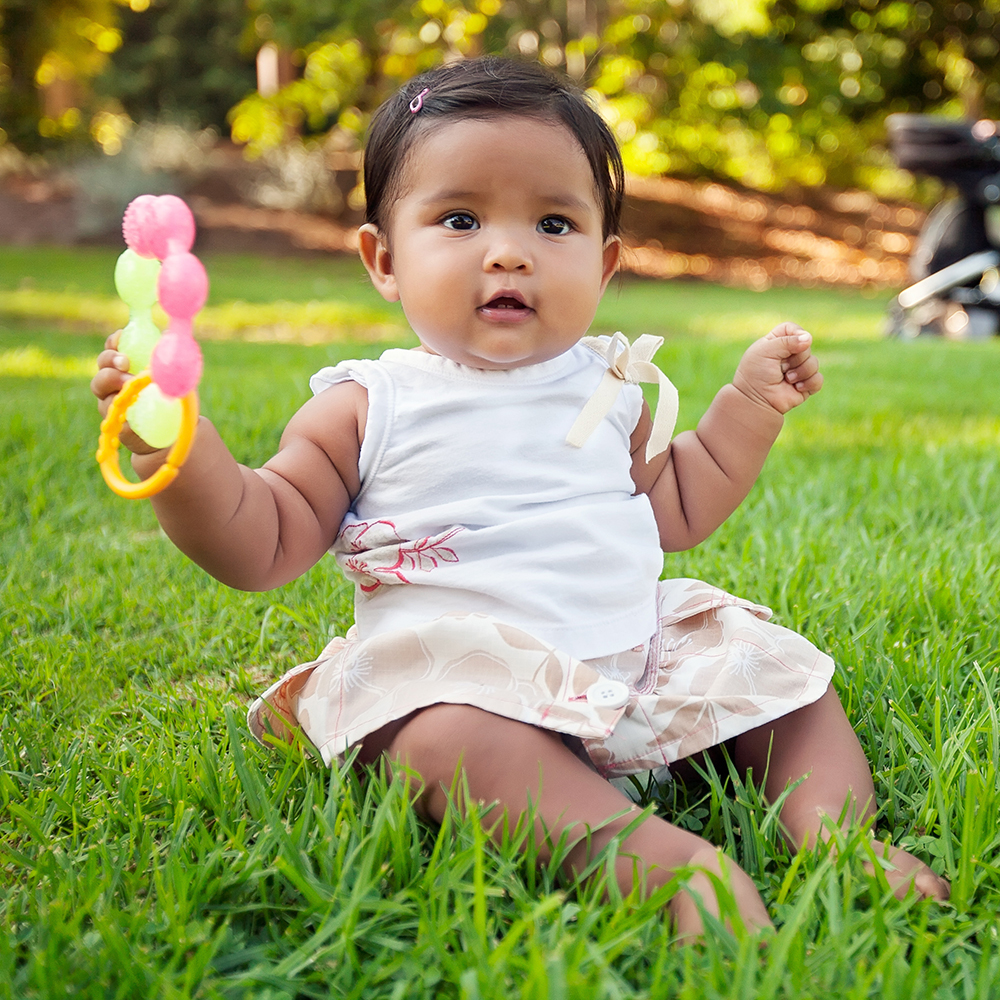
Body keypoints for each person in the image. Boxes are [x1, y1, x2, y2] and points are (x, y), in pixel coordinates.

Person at [92, 56, 949, 937]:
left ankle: (841, 839)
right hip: (471, 691)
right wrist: (177, 445)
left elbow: (680, 508)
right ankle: (647, 858)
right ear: (383, 260)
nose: (510, 250)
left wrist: (747, 408)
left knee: (780, 673)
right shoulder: (364, 406)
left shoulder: (613, 388)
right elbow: (258, 539)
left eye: (553, 222)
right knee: (434, 734)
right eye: (459, 218)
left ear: (606, 263)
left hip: (632, 666)